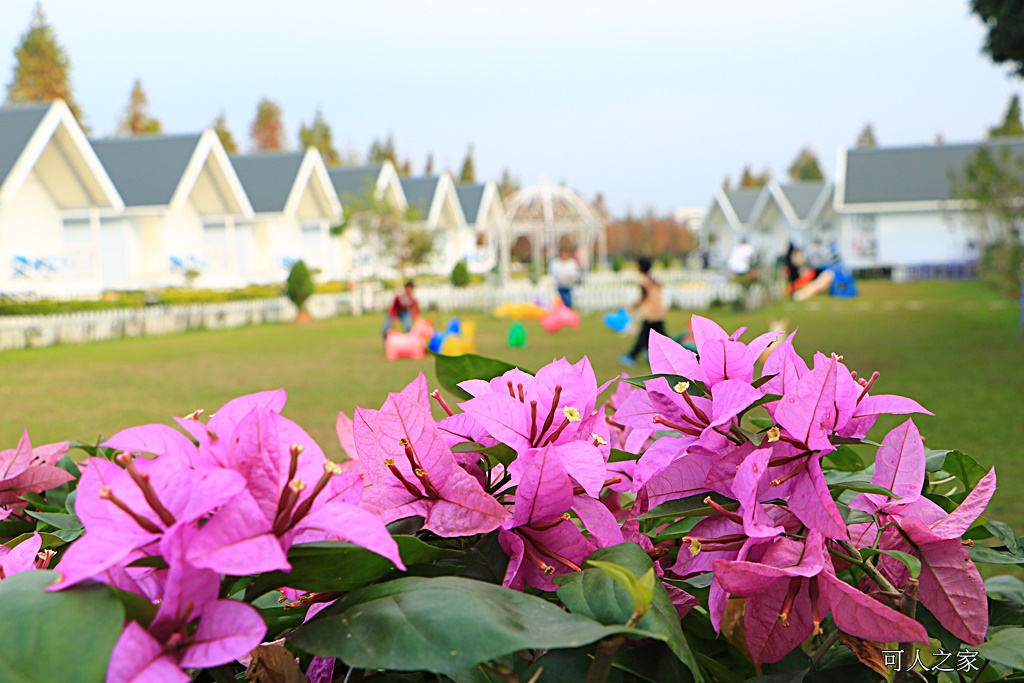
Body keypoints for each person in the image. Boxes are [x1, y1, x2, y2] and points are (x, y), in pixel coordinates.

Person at [620, 256, 666, 367]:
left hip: (651, 314)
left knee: (644, 336)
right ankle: (653, 356)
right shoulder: (653, 279)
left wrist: (634, 305)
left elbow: (643, 296)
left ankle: (631, 357)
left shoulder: (645, 281)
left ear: (640, 267)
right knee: (659, 338)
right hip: (659, 312)